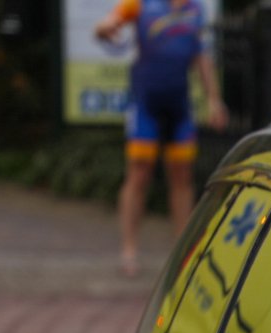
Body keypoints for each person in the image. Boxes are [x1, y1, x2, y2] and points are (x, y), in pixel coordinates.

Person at [95, 0, 227, 277]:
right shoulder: (141, 4)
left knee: (181, 176)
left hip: (179, 105)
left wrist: (213, 100)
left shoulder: (194, 9)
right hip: (146, 104)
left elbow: (201, 57)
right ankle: (129, 251)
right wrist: (105, 28)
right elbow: (107, 25)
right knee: (139, 173)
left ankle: (182, 253)